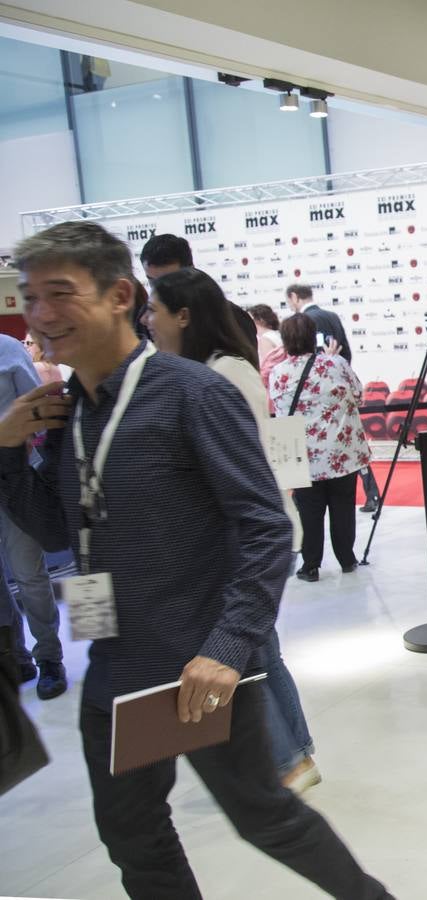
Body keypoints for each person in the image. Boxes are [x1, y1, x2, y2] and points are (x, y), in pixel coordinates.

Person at [2, 221, 389, 898]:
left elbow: (269, 528)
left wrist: (228, 646)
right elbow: (57, 528)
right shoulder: (70, 413)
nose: (41, 314)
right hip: (116, 663)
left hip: (197, 669)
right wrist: (7, 447)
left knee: (264, 818)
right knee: (132, 834)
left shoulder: (191, 393)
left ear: (121, 295)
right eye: (30, 296)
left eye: (59, 293)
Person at [145, 267, 319, 791]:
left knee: (242, 654)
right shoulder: (212, 370)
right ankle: (297, 756)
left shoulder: (220, 374)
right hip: (241, 534)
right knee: (262, 650)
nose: (147, 321)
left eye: (154, 310)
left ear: (183, 315)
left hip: (244, 537)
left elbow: (244, 465)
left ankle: (286, 761)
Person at [269, 313, 371, 582]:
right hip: (340, 451)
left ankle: (310, 565)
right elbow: (358, 394)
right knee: (343, 507)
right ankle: (347, 559)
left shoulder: (278, 373)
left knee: (309, 513)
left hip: (303, 456)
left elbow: (280, 411)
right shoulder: (334, 363)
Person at [0, 333, 66, 699]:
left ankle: (49, 659)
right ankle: (15, 654)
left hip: (14, 478)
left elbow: (39, 414)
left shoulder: (9, 349)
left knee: (29, 574)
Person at [285, 284, 380, 513]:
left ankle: (304, 504)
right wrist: (337, 370)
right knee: (351, 445)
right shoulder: (332, 316)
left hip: (314, 405)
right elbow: (345, 353)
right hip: (339, 394)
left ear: (294, 297)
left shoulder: (303, 322)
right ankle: (372, 494)